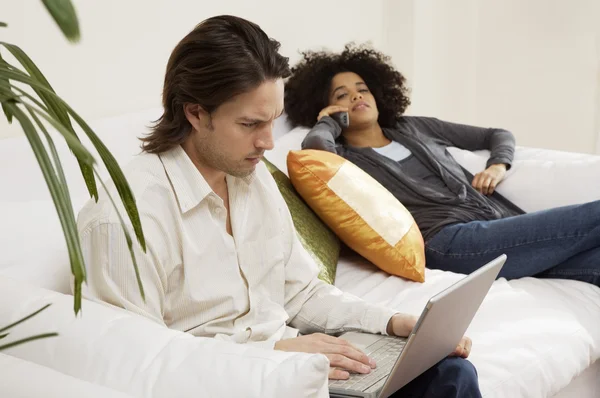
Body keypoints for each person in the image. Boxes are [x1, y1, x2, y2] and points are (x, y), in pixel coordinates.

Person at [77, 16, 480, 398]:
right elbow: (140, 364)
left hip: (293, 369)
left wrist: (390, 323)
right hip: (237, 382)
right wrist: (276, 355)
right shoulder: (127, 215)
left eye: (274, 120)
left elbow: (300, 293)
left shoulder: (252, 179)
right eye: (251, 124)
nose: (269, 142)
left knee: (450, 374)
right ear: (196, 113)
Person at [284, 44, 600, 288]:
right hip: (450, 242)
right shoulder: (344, 157)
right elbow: (317, 154)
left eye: (362, 88)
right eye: (343, 95)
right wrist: (328, 122)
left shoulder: (416, 127)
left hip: (497, 224)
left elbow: (496, 135)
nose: (356, 96)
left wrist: (498, 166)